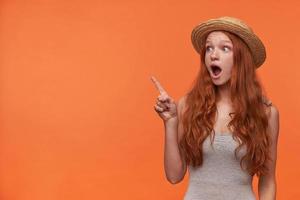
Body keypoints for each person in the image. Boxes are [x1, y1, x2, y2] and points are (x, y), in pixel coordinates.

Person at [150, 16, 279, 200]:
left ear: (241, 58)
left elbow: (267, 181)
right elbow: (174, 175)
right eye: (209, 48)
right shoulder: (188, 105)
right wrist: (170, 122)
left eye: (224, 48)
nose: (213, 55)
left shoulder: (266, 113)